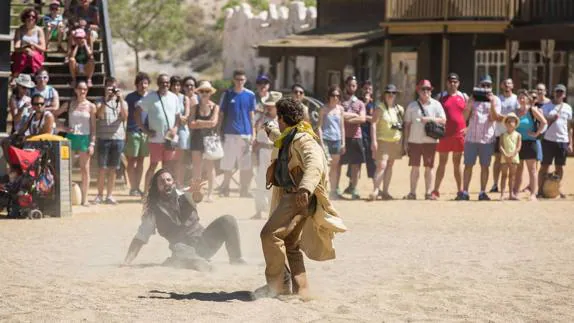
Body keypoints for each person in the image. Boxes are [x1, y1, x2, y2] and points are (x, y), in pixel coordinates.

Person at [255, 97, 345, 299]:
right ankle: (302, 290)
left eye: (277, 117)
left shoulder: (304, 139)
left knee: (269, 235)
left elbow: (314, 164)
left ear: (283, 118)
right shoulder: (292, 134)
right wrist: (269, 130)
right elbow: (282, 140)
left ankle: (277, 285)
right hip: (299, 198)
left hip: (297, 197)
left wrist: (305, 188)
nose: (277, 121)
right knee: (290, 243)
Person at [123, 169, 246, 271]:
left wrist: (197, 191)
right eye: (161, 181)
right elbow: (140, 237)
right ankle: (199, 263)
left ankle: (236, 259)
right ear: (157, 188)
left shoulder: (185, 195)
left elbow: (196, 197)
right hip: (183, 248)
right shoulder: (153, 212)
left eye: (168, 179)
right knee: (180, 248)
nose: (166, 182)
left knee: (228, 220)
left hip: (205, 242)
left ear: (174, 183)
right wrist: (127, 261)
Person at [135, 74, 181, 193]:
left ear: (169, 84)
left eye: (166, 82)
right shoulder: (151, 97)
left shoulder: (174, 97)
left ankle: (166, 192)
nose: (164, 85)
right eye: (162, 82)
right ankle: (146, 193)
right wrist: (144, 130)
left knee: (167, 167)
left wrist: (175, 128)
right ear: (158, 84)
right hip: (155, 139)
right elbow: (137, 111)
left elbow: (177, 117)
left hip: (169, 138)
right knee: (153, 166)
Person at [459, 75, 501, 201]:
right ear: (479, 86)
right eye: (483, 86)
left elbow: (494, 118)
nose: (486, 88)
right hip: (471, 138)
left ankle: (482, 192)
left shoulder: (496, 100)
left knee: (485, 166)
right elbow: (463, 118)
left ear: (492, 87)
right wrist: (469, 104)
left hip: (487, 139)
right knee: (468, 165)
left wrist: (491, 103)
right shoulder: (473, 99)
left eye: (488, 86)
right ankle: (465, 192)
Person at [403, 80, 446, 200]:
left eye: (428, 89)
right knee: (415, 167)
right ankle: (412, 193)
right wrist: (405, 142)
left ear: (431, 91)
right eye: (423, 89)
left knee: (429, 167)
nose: (426, 91)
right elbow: (407, 125)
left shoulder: (436, 104)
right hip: (414, 140)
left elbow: (443, 120)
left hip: (430, 141)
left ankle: (428, 193)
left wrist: (429, 119)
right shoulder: (412, 106)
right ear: (418, 91)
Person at [55, 80, 96, 206]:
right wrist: (62, 128)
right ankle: (66, 196)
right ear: (76, 90)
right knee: (67, 167)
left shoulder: (91, 106)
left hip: (84, 137)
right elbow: (53, 114)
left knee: (85, 169)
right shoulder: (69, 104)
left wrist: (92, 143)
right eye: (80, 88)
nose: (82, 91)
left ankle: (85, 198)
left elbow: (93, 127)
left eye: (85, 89)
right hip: (71, 137)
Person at [218, 70, 256, 197]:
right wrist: (218, 129)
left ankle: (243, 190)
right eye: (237, 79)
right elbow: (221, 114)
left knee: (244, 165)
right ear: (233, 80)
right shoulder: (227, 94)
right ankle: (226, 188)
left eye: (242, 80)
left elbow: (252, 116)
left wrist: (253, 134)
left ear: (245, 81)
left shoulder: (250, 95)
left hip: (245, 134)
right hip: (229, 133)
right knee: (228, 163)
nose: (239, 82)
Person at [93, 78, 128, 205]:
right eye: (109, 87)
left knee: (113, 169)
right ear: (105, 88)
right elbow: (99, 115)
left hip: (118, 138)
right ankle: (99, 195)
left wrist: (121, 99)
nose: (112, 90)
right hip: (103, 138)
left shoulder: (122, 102)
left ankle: (109, 195)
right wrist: (106, 99)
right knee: (102, 168)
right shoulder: (99, 101)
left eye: (114, 87)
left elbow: (124, 117)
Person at [433, 73, 468, 199]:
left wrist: (467, 127)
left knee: (457, 163)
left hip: (459, 134)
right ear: (447, 83)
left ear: (458, 83)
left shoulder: (463, 96)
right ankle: (435, 190)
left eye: (455, 81)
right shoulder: (441, 96)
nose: (452, 84)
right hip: (444, 134)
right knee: (442, 162)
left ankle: (460, 191)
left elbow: (471, 112)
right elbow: (434, 112)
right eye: (450, 81)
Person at [369, 84, 404, 201]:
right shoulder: (380, 108)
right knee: (381, 165)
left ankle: (385, 191)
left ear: (396, 95)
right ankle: (375, 190)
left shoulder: (399, 109)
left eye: (393, 93)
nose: (390, 95)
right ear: (384, 95)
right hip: (382, 140)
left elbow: (401, 126)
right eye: (388, 93)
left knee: (390, 165)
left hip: (395, 141)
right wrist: (374, 141)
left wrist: (402, 142)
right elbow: (373, 124)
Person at [538, 84, 573, 198]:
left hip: (562, 140)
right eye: (557, 91)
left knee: (559, 167)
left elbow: (569, 127)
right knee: (545, 166)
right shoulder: (546, 107)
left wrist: (570, 143)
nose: (559, 94)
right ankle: (540, 190)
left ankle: (557, 189)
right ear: (553, 92)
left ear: (564, 94)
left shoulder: (568, 107)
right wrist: (550, 118)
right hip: (548, 140)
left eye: (561, 92)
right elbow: (541, 122)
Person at [252, 91, 281, 220]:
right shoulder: (262, 118)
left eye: (272, 106)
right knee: (260, 181)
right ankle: (259, 210)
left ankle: (273, 210)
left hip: (275, 152)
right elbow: (257, 130)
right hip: (263, 151)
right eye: (268, 105)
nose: (269, 108)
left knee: (274, 182)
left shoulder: (281, 120)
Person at [189, 81, 220, 203]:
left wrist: (199, 123)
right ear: (199, 93)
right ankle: (197, 192)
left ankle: (210, 194)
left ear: (210, 93)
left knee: (209, 167)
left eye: (207, 91)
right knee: (196, 167)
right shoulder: (194, 107)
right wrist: (205, 124)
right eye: (202, 91)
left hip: (209, 140)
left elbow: (214, 123)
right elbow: (191, 125)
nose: (204, 93)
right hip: (197, 138)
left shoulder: (215, 107)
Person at [513, 90, 547, 201]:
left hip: (530, 143)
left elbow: (544, 122)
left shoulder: (532, 110)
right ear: (518, 99)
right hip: (518, 143)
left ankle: (533, 194)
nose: (522, 99)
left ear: (527, 99)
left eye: (524, 97)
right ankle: (515, 192)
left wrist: (537, 133)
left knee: (532, 170)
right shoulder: (515, 112)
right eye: (520, 97)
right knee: (518, 169)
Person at [340, 76, 366, 200]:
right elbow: (339, 114)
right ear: (345, 85)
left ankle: (354, 188)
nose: (351, 87)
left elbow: (362, 119)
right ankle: (336, 188)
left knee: (356, 164)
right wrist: (354, 116)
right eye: (349, 85)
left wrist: (347, 118)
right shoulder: (339, 101)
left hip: (356, 137)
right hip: (342, 136)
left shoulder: (359, 102)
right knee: (338, 163)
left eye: (354, 85)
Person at [125, 72, 150, 197]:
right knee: (131, 160)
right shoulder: (130, 98)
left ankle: (137, 187)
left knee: (141, 161)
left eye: (145, 83)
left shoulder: (151, 97)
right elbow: (125, 115)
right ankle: (132, 186)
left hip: (145, 133)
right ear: (136, 85)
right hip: (132, 131)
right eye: (141, 83)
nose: (143, 86)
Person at [317, 86, 345, 199]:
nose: (335, 98)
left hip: (337, 140)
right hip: (326, 139)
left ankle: (333, 191)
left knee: (335, 166)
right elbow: (319, 126)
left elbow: (342, 126)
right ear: (329, 96)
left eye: (337, 96)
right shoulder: (323, 109)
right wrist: (321, 142)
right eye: (333, 95)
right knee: (325, 166)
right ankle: (323, 190)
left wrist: (343, 142)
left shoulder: (341, 109)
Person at [490, 78, 518, 193]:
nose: (507, 85)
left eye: (509, 83)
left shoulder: (516, 99)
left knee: (514, 161)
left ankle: (513, 187)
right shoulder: (497, 99)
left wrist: (503, 117)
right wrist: (509, 118)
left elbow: (518, 116)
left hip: (513, 135)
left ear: (513, 86)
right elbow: (495, 116)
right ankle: (495, 184)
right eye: (505, 83)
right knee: (497, 160)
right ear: (501, 85)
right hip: (499, 133)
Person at [169, 76, 191, 189]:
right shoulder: (167, 97)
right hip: (170, 130)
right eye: (174, 85)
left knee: (180, 159)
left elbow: (186, 115)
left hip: (182, 131)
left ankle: (179, 182)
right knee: (169, 158)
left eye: (178, 85)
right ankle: (169, 182)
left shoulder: (184, 98)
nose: (176, 87)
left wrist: (181, 117)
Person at [11, 8, 46, 78]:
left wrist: (33, 45)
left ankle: (34, 75)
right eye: (28, 16)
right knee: (24, 56)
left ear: (36, 19)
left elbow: (43, 48)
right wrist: (25, 48)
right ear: (24, 17)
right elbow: (16, 48)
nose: (31, 18)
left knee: (32, 55)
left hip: (36, 53)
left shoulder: (39, 30)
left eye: (33, 17)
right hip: (22, 52)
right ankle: (15, 77)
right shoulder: (19, 30)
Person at [498, 113, 521, 201]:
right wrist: (506, 154)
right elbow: (500, 146)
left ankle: (511, 194)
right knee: (504, 175)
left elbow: (518, 147)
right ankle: (502, 194)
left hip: (514, 157)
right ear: (506, 123)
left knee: (512, 176)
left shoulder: (518, 135)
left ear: (515, 124)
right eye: (509, 121)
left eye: (513, 121)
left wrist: (512, 155)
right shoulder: (502, 135)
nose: (510, 123)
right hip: (504, 157)